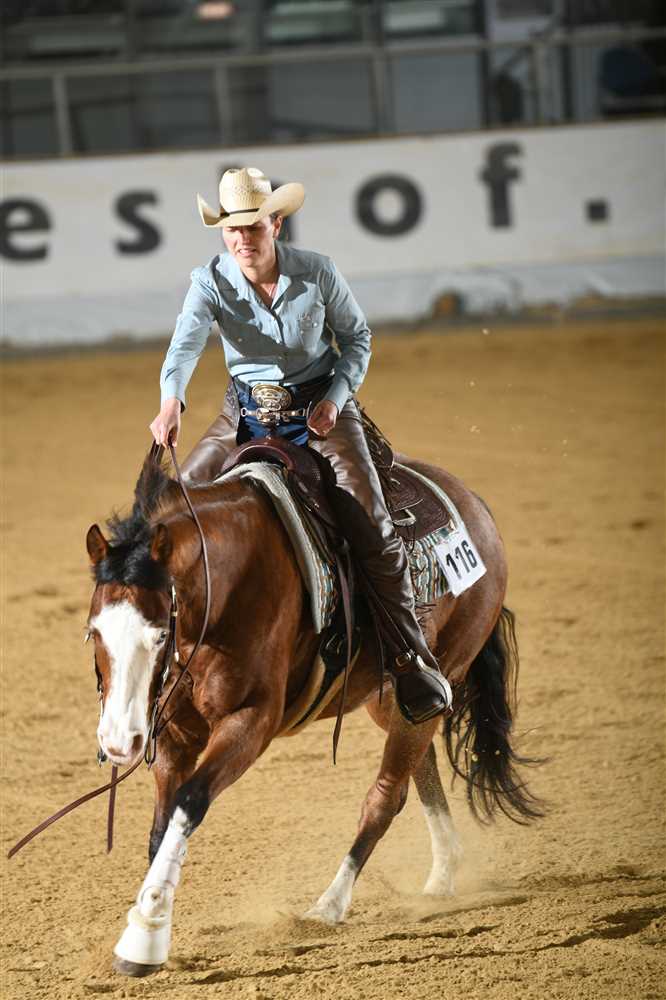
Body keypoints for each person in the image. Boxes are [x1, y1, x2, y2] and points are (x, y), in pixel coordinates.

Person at [150, 167, 451, 725]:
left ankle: (411, 658)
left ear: (276, 224)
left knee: (371, 520)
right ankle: (159, 668)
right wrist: (171, 403)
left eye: (253, 226)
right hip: (243, 415)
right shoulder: (209, 281)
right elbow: (184, 347)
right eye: (232, 229)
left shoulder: (318, 272)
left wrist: (336, 399)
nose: (242, 238)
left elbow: (357, 339)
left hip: (319, 413)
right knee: (170, 518)